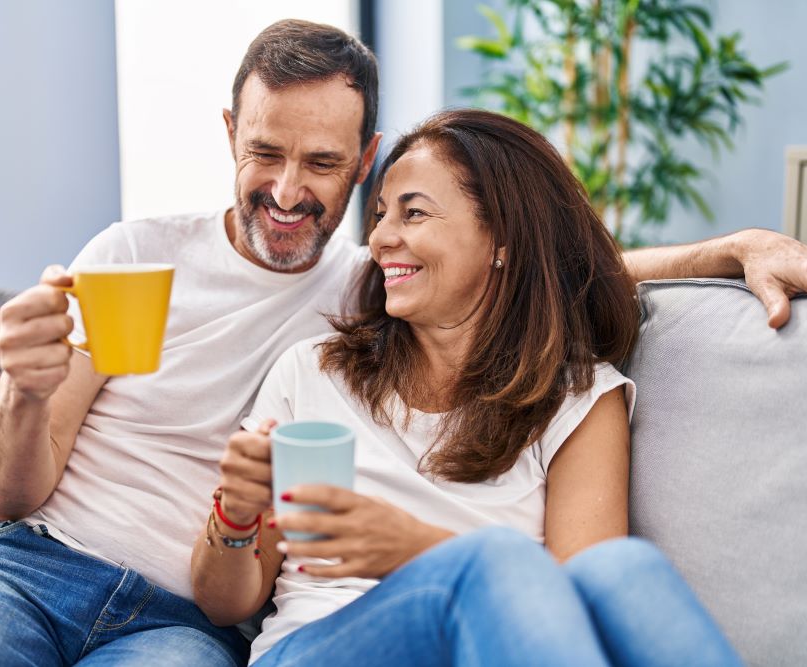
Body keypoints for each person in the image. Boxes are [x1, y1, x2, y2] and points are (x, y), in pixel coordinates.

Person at [0, 18, 807, 667]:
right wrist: (26, 389)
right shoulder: (154, 266)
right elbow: (13, 494)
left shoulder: (369, 284)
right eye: (265, 154)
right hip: (40, 560)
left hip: (183, 624)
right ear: (229, 135)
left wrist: (733, 246)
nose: (289, 192)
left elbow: (557, 257)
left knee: (609, 568)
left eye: (324, 165)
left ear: (360, 161)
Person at [191, 108, 742, 666]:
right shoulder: (312, 372)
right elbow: (222, 604)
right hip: (319, 649)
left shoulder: (577, 397)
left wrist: (409, 545)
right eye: (381, 214)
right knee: (495, 560)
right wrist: (235, 514)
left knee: (625, 570)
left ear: (501, 238)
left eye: (414, 214)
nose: (381, 238)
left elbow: (581, 607)